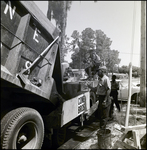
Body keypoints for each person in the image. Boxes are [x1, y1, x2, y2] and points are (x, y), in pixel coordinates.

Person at [88, 66, 111, 130]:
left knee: (104, 116)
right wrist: (89, 86)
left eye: (99, 71)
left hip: (105, 98)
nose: (97, 72)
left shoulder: (106, 79)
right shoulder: (100, 79)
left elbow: (108, 90)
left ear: (103, 71)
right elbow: (96, 89)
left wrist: (105, 100)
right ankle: (102, 129)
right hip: (101, 98)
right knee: (100, 115)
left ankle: (102, 130)